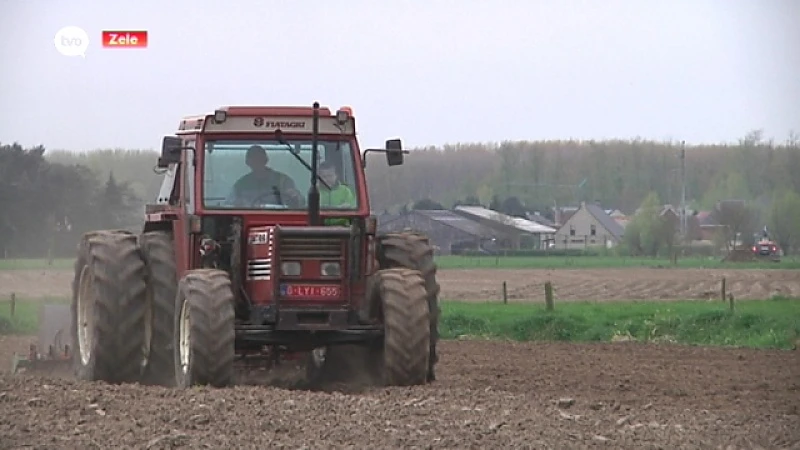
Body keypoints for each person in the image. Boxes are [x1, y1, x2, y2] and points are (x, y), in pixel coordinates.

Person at [228, 145, 303, 207]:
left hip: (279, 220)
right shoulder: (241, 184)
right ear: (247, 162)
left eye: (260, 159)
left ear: (266, 160)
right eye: (254, 159)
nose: (257, 162)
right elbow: (229, 205)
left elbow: (300, 203)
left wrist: (294, 198)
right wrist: (237, 204)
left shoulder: (283, 181)